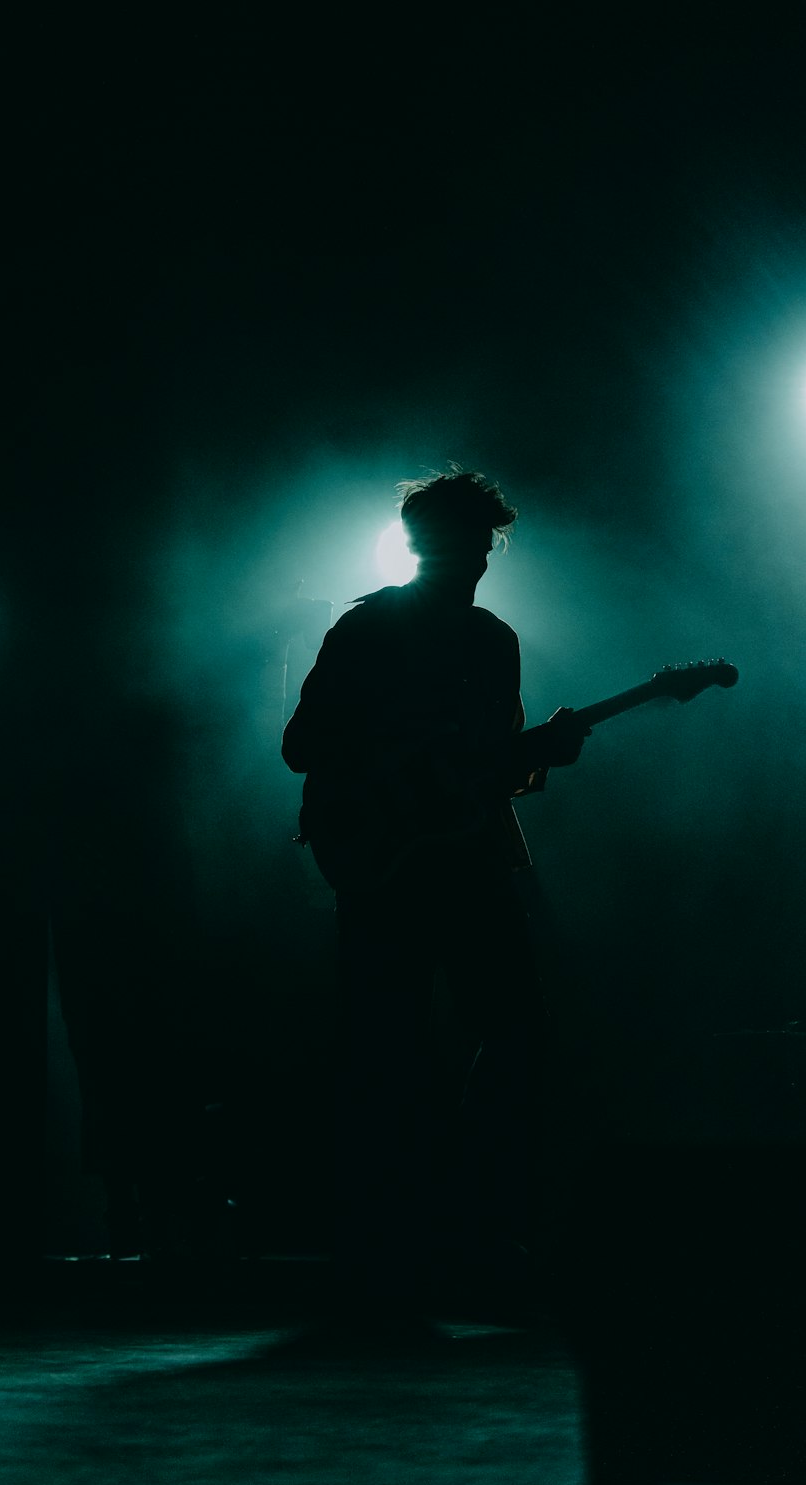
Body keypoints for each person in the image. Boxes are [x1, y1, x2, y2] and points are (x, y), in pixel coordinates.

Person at [280, 465, 590, 1337]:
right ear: (425, 544)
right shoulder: (368, 630)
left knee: (517, 1031)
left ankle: (462, 1222)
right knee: (392, 1048)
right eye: (466, 543)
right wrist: (396, 762)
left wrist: (543, 756)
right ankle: (409, 1243)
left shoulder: (492, 641)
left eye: (486, 545)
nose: (480, 560)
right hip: (388, 866)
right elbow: (301, 746)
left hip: (464, 859)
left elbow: (491, 770)